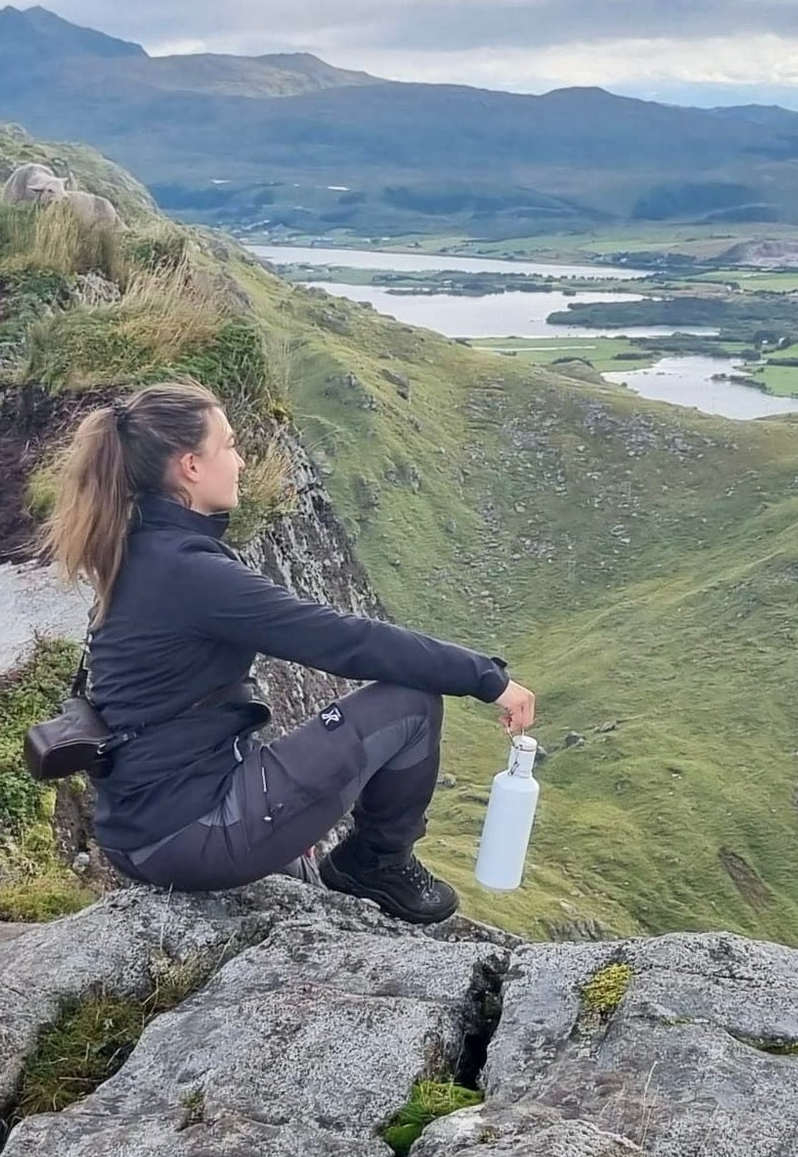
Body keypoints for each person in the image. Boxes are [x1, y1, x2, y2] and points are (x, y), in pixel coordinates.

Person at [44, 379, 535, 925]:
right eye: (228, 446)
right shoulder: (190, 572)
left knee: (303, 831)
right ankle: (376, 862)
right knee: (412, 705)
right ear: (190, 466)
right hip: (186, 833)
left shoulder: (140, 548)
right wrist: (485, 677)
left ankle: (333, 862)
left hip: (144, 827)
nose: (243, 461)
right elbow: (345, 640)